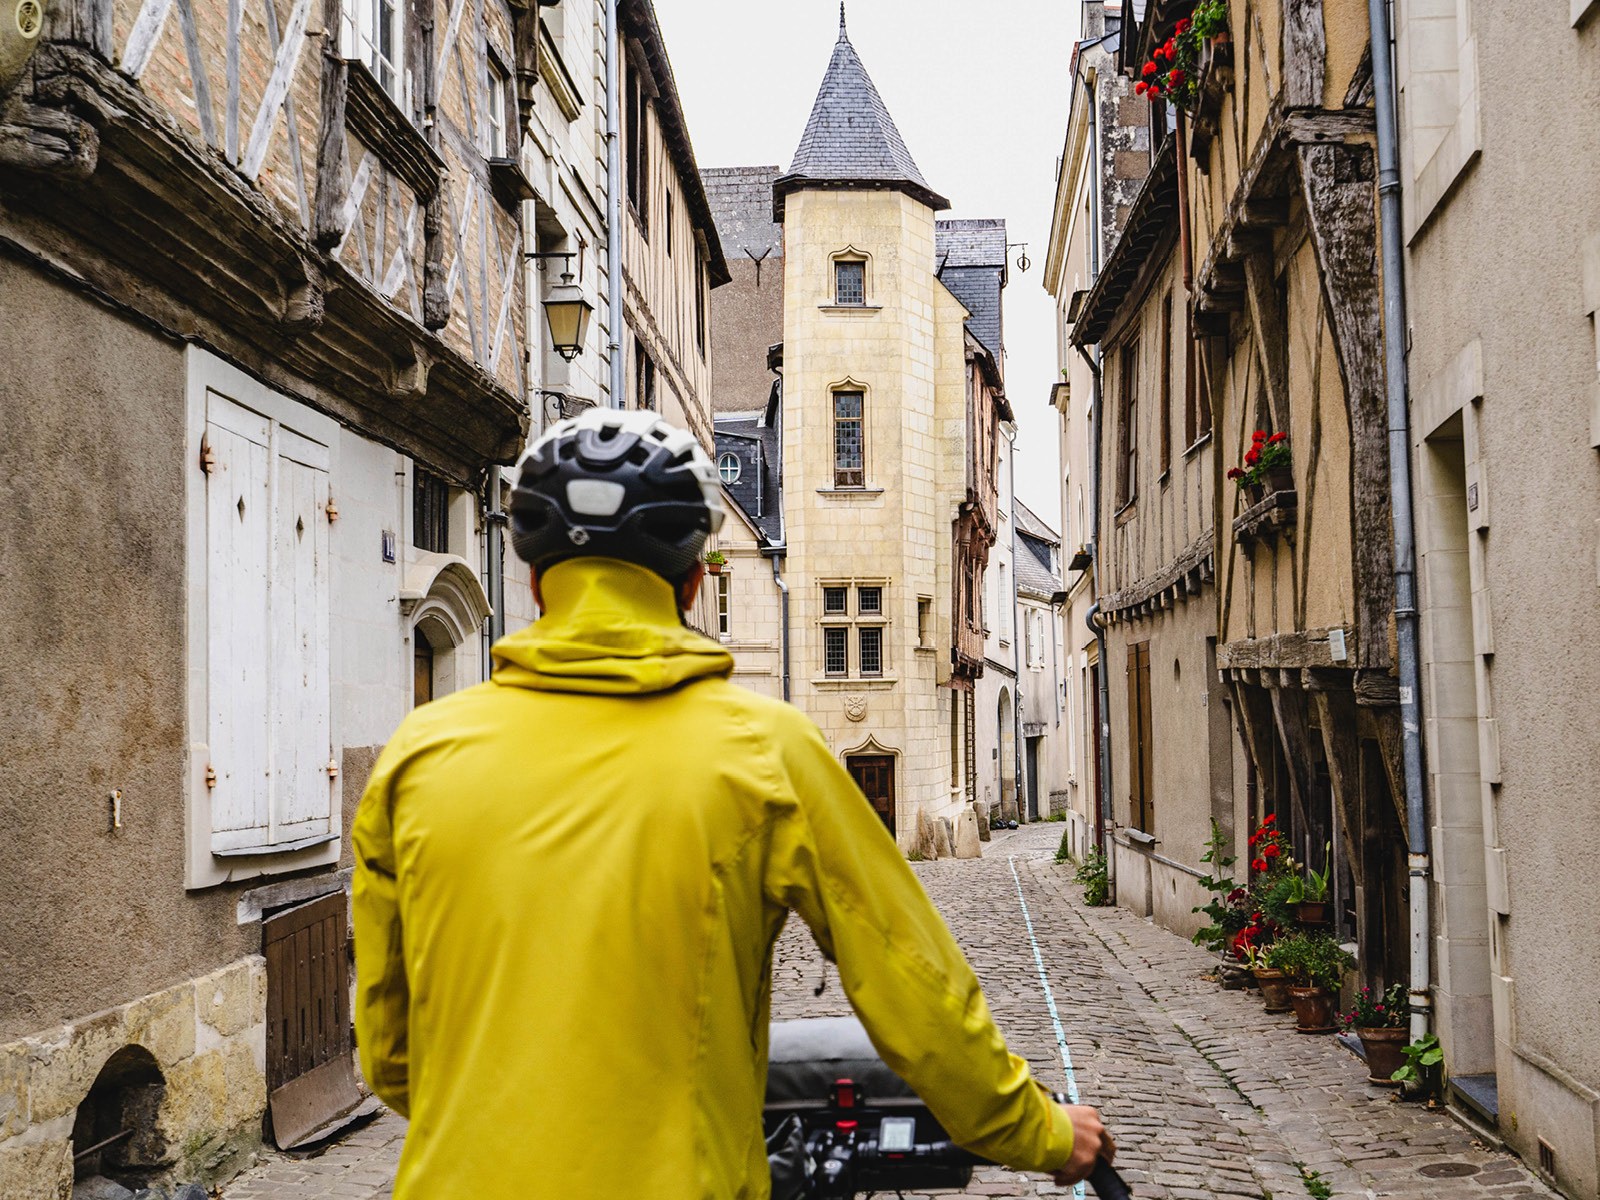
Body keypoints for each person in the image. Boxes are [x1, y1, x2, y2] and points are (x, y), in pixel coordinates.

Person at [352, 409, 1113, 1198]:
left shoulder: (419, 757)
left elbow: (391, 1056)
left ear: (539, 581)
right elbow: (916, 990)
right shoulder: (766, 753)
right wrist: (1041, 1130)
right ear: (694, 580)